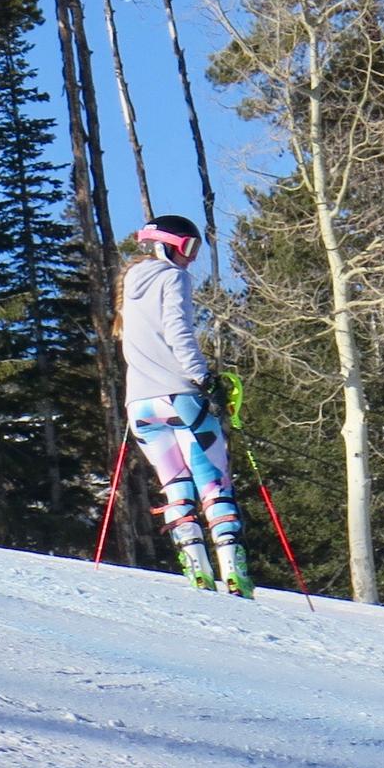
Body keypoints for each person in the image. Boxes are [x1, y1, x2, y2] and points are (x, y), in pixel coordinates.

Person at [118, 214, 252, 598]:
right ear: (166, 244)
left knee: (175, 486)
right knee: (214, 483)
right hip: (181, 395)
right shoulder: (174, 277)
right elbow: (178, 330)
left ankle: (196, 570)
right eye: (188, 248)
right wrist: (202, 377)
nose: (190, 259)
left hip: (141, 404)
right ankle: (234, 574)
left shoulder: (131, 282)